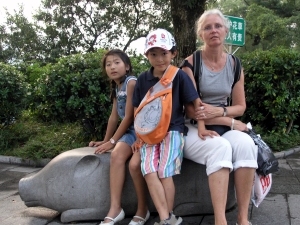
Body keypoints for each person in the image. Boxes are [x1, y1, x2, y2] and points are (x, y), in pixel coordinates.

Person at [180, 9, 258, 225]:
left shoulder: (235, 65)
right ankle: (220, 220)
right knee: (220, 147)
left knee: (246, 144)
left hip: (221, 124)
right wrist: (230, 121)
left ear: (225, 31)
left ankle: (243, 218)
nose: (213, 30)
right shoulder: (191, 64)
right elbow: (193, 110)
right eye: (207, 27)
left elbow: (240, 106)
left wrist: (222, 112)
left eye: (217, 26)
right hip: (193, 127)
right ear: (200, 35)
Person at [132, 28, 215, 225]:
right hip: (149, 134)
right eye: (154, 54)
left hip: (173, 131)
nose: (159, 59)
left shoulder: (178, 75)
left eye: (164, 53)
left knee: (164, 173)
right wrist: (138, 135)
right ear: (147, 55)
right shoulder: (143, 79)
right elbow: (138, 108)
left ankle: (165, 218)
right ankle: (167, 218)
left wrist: (201, 127)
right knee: (148, 170)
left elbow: (196, 103)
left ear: (173, 53)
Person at [89, 49, 150, 225]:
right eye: (108, 64)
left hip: (140, 131)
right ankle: (115, 208)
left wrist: (113, 141)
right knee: (116, 155)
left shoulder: (132, 82)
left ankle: (142, 208)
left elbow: (130, 116)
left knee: (130, 163)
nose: (112, 67)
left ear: (127, 66)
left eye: (117, 62)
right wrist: (106, 140)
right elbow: (114, 117)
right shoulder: (117, 87)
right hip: (129, 131)